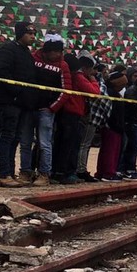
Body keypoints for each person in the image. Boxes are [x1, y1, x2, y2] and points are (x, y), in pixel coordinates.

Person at [0, 21, 38, 187]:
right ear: (20, 33)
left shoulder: (26, 52)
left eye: (34, 33)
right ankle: (3, 173)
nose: (33, 36)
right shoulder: (7, 49)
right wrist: (16, 93)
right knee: (7, 136)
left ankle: (10, 173)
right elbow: (1, 72)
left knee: (15, 138)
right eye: (29, 33)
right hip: (10, 102)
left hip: (23, 103)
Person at [30, 33, 72, 186]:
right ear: (47, 51)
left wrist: (53, 107)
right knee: (26, 142)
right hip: (29, 106)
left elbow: (67, 90)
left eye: (60, 52)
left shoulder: (63, 65)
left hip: (47, 110)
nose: (58, 55)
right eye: (56, 52)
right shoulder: (33, 59)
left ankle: (44, 173)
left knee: (45, 143)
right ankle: (26, 171)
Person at [53, 53, 100, 184]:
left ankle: (62, 172)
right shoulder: (79, 77)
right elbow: (95, 92)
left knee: (66, 144)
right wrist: (93, 79)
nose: (92, 72)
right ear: (86, 68)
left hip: (71, 113)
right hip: (72, 113)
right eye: (91, 69)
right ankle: (65, 173)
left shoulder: (75, 75)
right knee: (70, 145)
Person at [76, 63, 110, 182]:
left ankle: (81, 168)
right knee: (84, 144)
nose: (107, 74)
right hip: (90, 115)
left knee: (85, 144)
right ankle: (81, 170)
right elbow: (96, 94)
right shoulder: (94, 81)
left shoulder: (96, 81)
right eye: (105, 71)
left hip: (92, 116)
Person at [95, 72, 128, 182]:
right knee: (110, 151)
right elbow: (111, 111)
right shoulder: (111, 93)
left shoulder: (114, 93)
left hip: (114, 126)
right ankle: (108, 173)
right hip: (112, 126)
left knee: (108, 150)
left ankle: (102, 172)